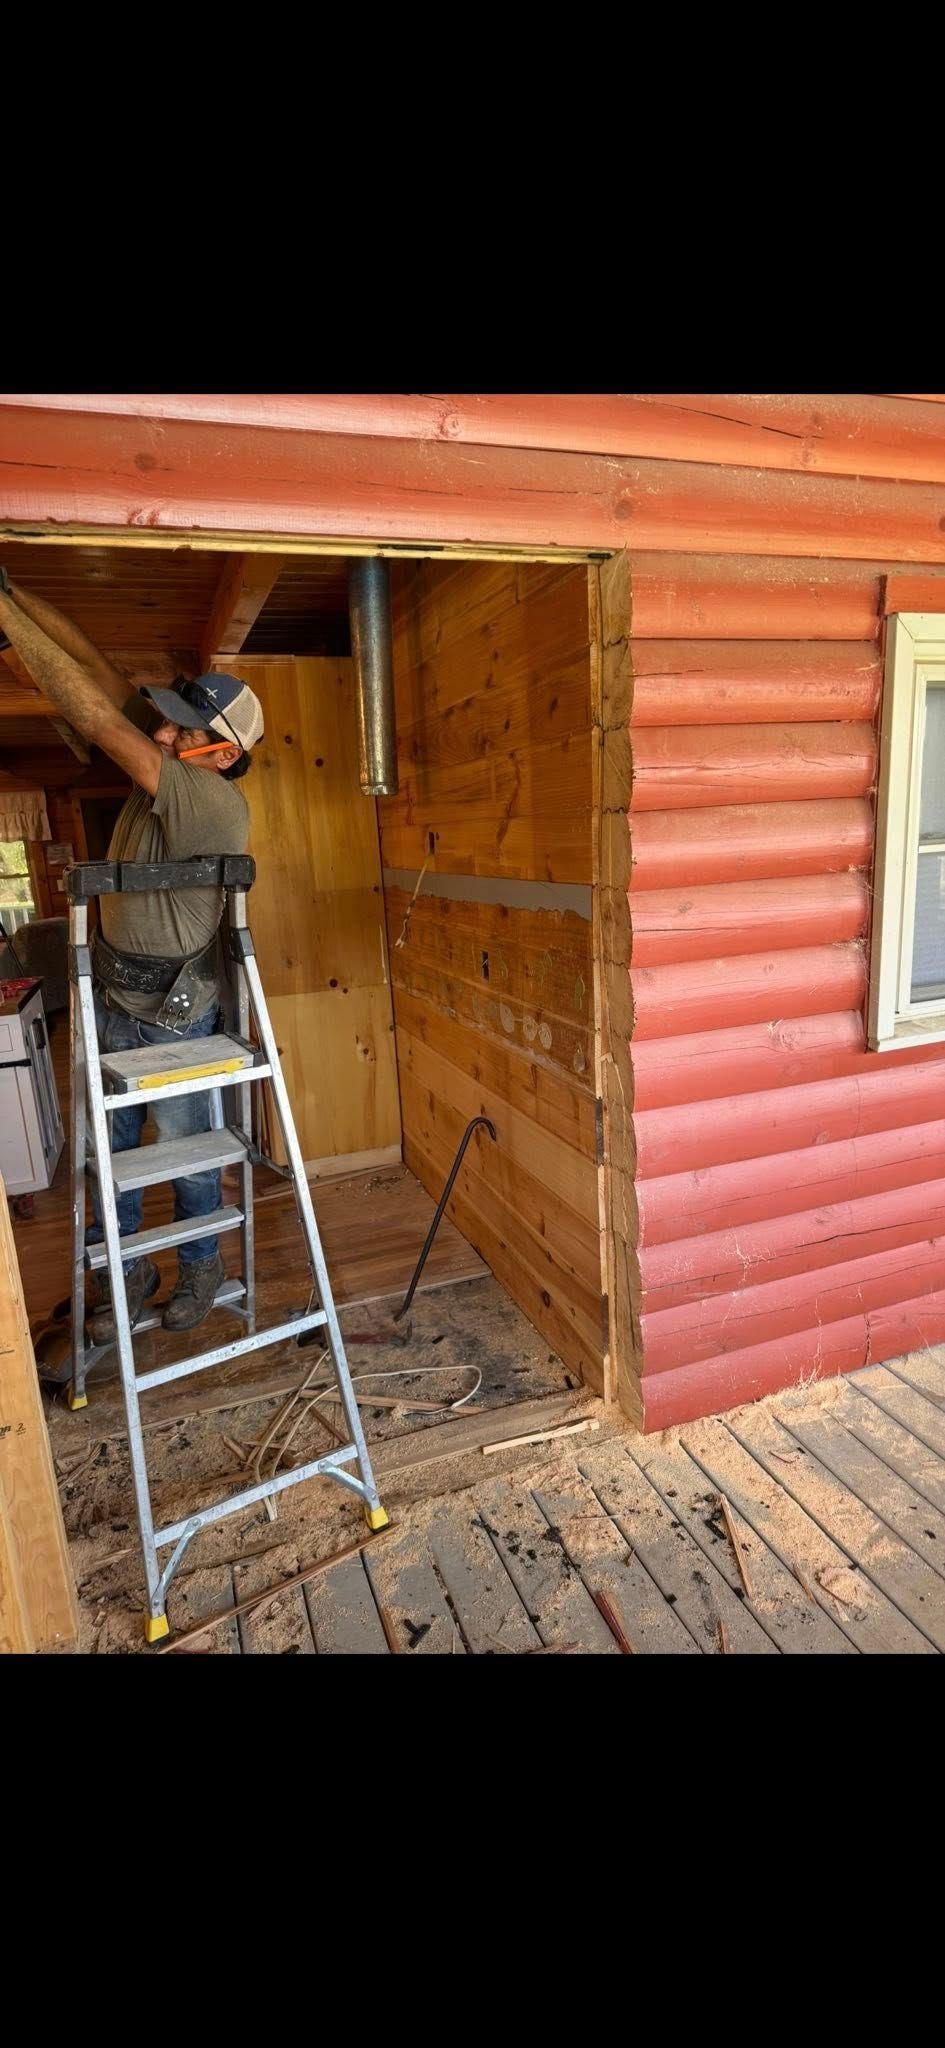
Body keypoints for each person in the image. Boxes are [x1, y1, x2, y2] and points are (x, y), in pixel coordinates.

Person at [0, 566, 265, 1339]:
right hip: (114, 1000)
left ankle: (202, 1266)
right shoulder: (181, 765)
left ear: (219, 754)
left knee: (184, 1157)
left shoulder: (210, 797)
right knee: (103, 1159)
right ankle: (125, 1270)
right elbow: (96, 668)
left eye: (182, 730)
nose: (162, 732)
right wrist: (17, 593)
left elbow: (89, 710)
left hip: (176, 1014)